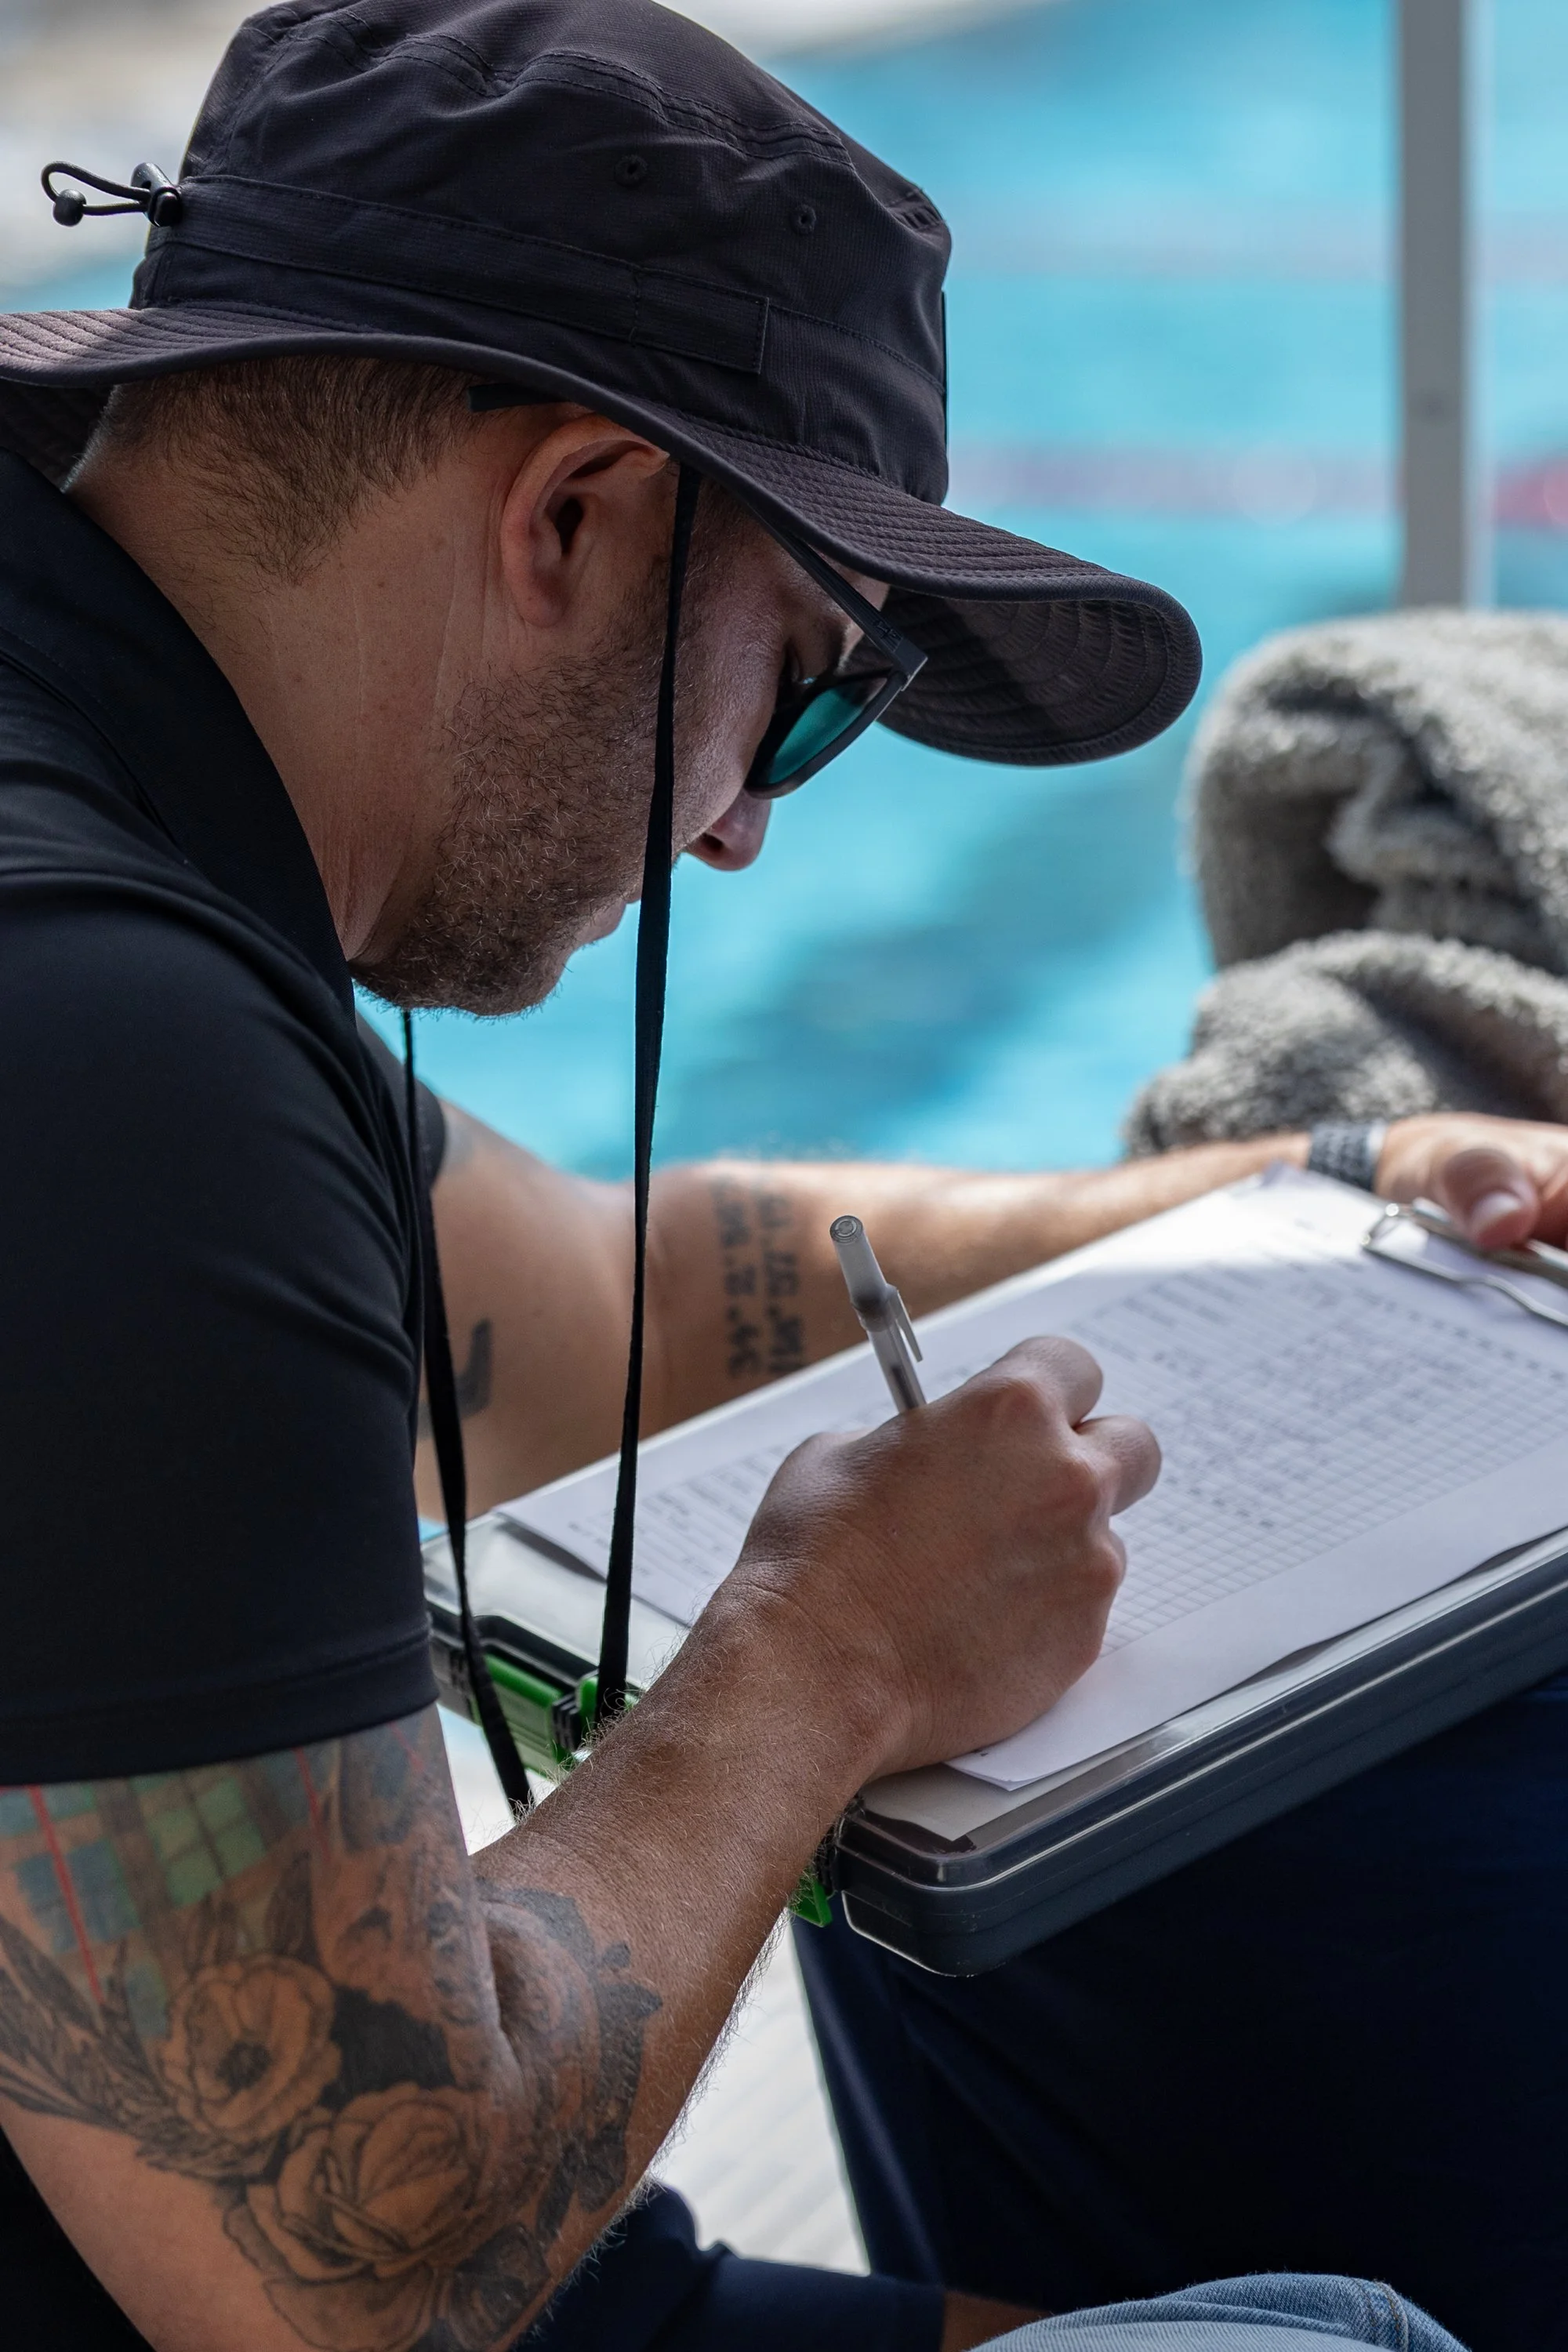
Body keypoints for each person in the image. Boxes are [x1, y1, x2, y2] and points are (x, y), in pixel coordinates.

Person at [0, 3, 1486, 2349]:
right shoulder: (103, 1042)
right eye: (809, 684)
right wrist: (833, 1658)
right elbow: (344, 2291)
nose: (745, 822)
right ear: (574, 515)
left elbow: (585, 1296)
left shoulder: (96, 809)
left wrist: (1332, 1169)